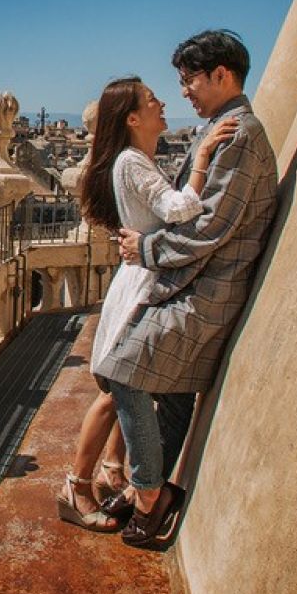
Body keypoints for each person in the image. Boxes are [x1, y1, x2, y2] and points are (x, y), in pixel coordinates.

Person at [98, 29, 279, 547]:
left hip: (208, 288)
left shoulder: (240, 134)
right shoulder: (222, 129)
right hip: (195, 283)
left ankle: (150, 492)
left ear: (222, 76)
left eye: (190, 80)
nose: (183, 93)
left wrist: (146, 251)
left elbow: (210, 226)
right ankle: (146, 497)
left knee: (122, 372)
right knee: (171, 396)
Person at [58, 76, 238, 532]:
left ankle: (106, 473)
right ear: (133, 118)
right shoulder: (132, 162)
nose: (164, 103)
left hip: (145, 279)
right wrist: (201, 158)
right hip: (143, 283)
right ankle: (79, 487)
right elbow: (180, 208)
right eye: (152, 100)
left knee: (122, 386)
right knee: (118, 385)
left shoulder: (137, 160)